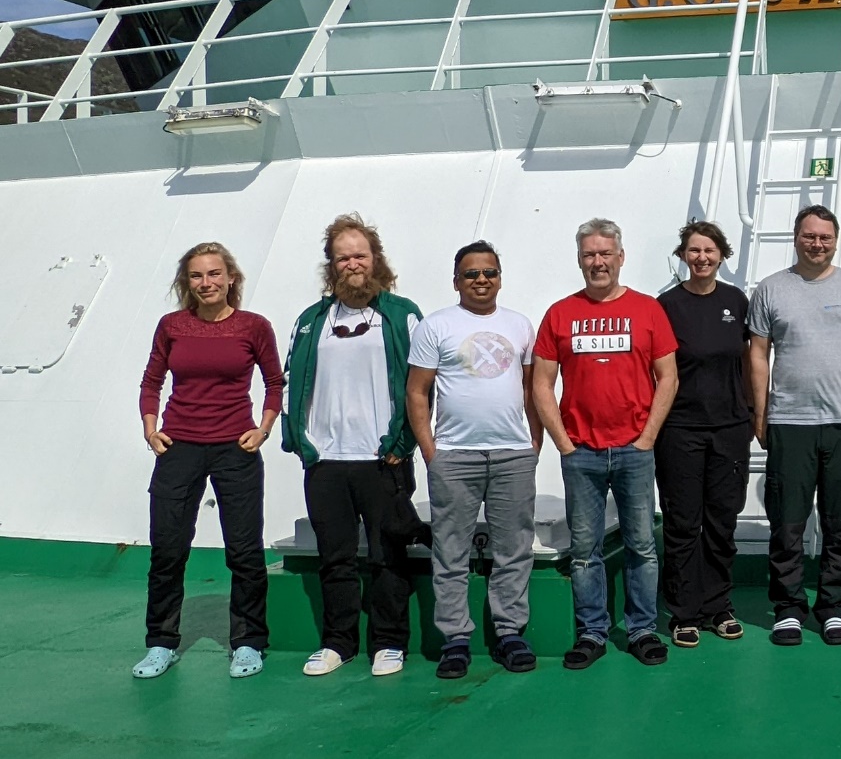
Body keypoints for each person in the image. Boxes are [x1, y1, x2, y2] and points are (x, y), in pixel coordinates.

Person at [281, 213, 426, 678]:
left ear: (375, 258)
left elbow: (424, 387)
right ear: (332, 265)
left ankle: (389, 642)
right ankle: (337, 642)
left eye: (360, 255)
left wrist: (404, 443)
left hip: (383, 457)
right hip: (325, 461)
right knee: (335, 557)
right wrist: (301, 444)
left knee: (388, 554)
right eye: (343, 257)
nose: (352, 264)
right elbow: (291, 383)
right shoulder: (311, 321)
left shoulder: (402, 314)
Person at [532, 219, 680, 670]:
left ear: (620, 256)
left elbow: (668, 377)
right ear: (580, 260)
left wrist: (647, 438)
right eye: (588, 255)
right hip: (582, 454)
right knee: (584, 552)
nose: (597, 262)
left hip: (634, 451)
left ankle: (641, 630)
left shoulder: (648, 310)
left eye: (604, 254)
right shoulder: (560, 314)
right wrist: (564, 444)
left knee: (641, 545)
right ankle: (593, 632)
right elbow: (541, 384)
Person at [134, 242, 283, 681]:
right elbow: (152, 379)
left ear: (230, 278)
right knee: (167, 549)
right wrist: (150, 426)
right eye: (197, 276)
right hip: (179, 447)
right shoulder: (172, 326)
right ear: (188, 282)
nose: (206, 283)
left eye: (215, 274)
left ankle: (249, 643)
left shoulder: (253, 326)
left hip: (235, 450)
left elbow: (274, 382)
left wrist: (264, 427)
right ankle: (161, 643)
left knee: (244, 552)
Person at [748, 204, 841, 647]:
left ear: (835, 240)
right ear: (796, 237)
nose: (818, 244)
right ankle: (788, 608)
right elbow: (757, 355)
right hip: (790, 422)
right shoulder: (771, 289)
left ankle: (832, 607)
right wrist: (760, 412)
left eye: (826, 237)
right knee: (787, 522)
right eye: (810, 236)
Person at [406, 242, 540, 680]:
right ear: (456, 280)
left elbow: (530, 390)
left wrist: (533, 444)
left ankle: (510, 632)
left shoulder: (520, 325)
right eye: (471, 274)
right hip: (454, 456)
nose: (481, 281)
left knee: (514, 548)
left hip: (512, 454)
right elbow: (417, 391)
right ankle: (455, 639)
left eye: (489, 273)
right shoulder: (436, 326)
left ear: (500, 276)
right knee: (450, 549)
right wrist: (431, 452)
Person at [655, 221, 752, 647]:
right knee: (682, 522)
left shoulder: (737, 301)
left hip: (730, 429)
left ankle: (718, 606)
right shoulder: (666, 305)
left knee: (721, 521)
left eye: (709, 251)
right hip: (679, 430)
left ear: (722, 255)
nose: (702, 258)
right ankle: (683, 611)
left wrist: (753, 414)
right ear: (683, 255)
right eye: (694, 251)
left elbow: (750, 362)